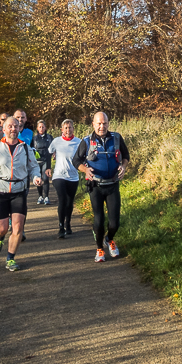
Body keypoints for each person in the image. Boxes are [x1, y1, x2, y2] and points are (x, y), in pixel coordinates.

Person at [0, 116, 41, 272]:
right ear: (4, 129)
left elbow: (34, 167)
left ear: (19, 128)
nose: (13, 129)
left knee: (17, 227)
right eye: (10, 126)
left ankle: (11, 258)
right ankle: (0, 237)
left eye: (16, 126)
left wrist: (36, 177)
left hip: (19, 192)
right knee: (1, 228)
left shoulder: (26, 148)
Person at [74, 111, 129, 262]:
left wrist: (123, 167)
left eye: (104, 123)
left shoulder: (116, 138)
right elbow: (76, 161)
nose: (102, 126)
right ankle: (99, 249)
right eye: (99, 123)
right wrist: (85, 170)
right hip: (96, 186)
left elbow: (126, 156)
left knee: (114, 222)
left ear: (108, 124)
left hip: (113, 185)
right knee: (99, 220)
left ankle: (109, 239)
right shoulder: (86, 141)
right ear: (93, 124)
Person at [48, 119, 81, 238]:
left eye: (70, 127)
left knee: (69, 202)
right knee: (62, 199)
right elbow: (49, 152)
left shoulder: (79, 142)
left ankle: (68, 223)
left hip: (73, 176)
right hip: (59, 175)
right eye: (66, 128)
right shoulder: (56, 141)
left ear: (73, 128)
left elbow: (84, 156)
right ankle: (61, 227)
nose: (68, 130)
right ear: (62, 129)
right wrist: (48, 166)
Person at [31, 119, 54, 205]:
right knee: (39, 179)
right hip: (37, 161)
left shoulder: (49, 137)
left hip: (46, 160)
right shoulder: (34, 138)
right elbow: (31, 149)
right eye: (40, 127)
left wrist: (54, 154)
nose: (41, 128)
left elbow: (53, 148)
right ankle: (40, 196)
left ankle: (46, 197)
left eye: (43, 127)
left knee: (46, 178)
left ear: (45, 128)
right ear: (37, 128)